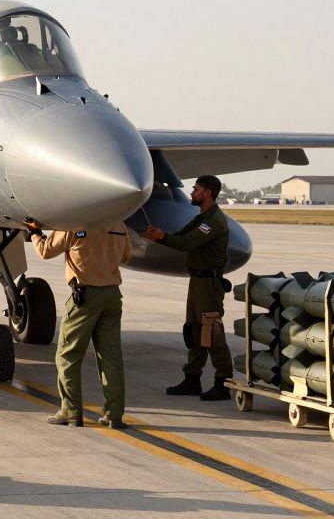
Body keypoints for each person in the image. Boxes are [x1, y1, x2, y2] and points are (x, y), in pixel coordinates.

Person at [28, 218, 133, 429]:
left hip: (85, 297)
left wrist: (35, 232)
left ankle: (71, 411)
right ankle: (114, 415)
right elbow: (126, 256)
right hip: (112, 295)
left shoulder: (74, 223)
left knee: (67, 355)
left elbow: (45, 251)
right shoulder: (119, 225)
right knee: (111, 357)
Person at [141, 175, 234, 402]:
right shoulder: (202, 217)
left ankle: (223, 382)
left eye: (197, 189)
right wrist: (161, 235)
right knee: (194, 331)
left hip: (208, 285)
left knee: (211, 332)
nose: (192, 192)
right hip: (198, 282)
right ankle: (192, 378)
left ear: (208, 193)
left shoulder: (212, 221)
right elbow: (182, 235)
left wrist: (162, 237)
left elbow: (187, 244)